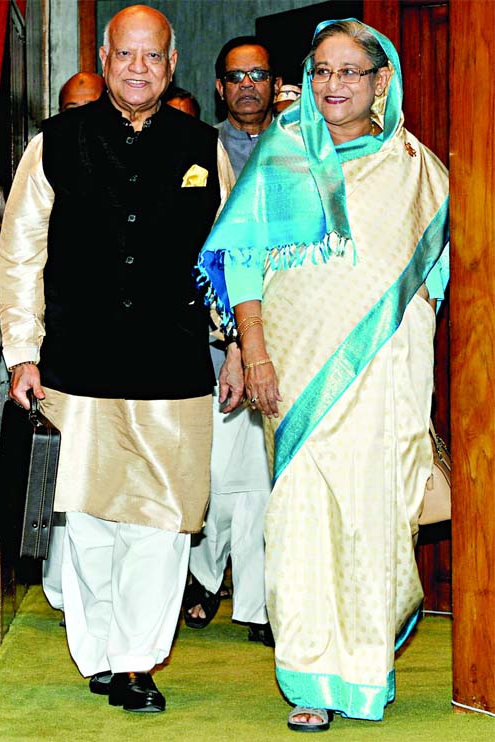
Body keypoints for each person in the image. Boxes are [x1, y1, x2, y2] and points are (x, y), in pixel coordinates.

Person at [197, 18, 449, 732]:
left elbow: (438, 273)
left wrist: (407, 328)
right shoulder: (279, 156)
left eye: (349, 71)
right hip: (295, 373)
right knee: (302, 521)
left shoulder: (414, 169)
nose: (333, 85)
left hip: (381, 377)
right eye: (321, 71)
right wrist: (253, 353)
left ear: (379, 81)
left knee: (372, 523)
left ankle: (364, 673)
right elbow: (241, 262)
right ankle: (310, 678)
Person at [0, 4, 234, 715]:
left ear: (171, 64)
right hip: (77, 362)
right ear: (104, 58)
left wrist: (230, 348)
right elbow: (21, 253)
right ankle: (99, 653)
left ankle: (136, 662)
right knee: (92, 519)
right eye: (125, 55)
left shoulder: (202, 145)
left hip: (174, 368)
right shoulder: (55, 143)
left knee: (164, 524)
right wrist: (22, 352)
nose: (139, 68)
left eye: (153, 57)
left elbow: (225, 260)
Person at [183, 36, 281, 646]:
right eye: (236, 77)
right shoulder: (196, 149)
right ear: (220, 87)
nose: (248, 85)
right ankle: (204, 577)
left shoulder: (301, 147)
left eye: (259, 75)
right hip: (212, 341)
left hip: (287, 335)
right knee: (220, 474)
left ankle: (261, 598)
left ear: (275, 84)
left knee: (267, 479)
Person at [43, 70, 109, 623]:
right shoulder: (48, 157)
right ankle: (73, 602)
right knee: (71, 491)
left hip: (142, 363)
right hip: (62, 350)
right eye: (72, 109)